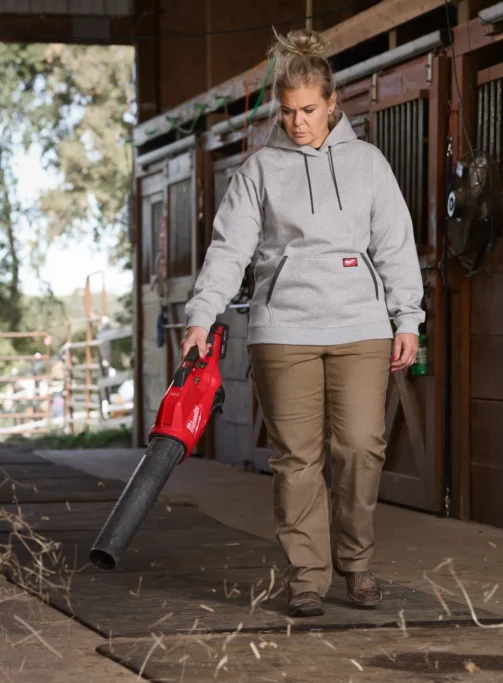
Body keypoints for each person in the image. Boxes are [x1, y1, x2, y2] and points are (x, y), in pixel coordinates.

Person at [181, 28, 425, 618]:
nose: (298, 123)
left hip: (360, 326)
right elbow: (228, 250)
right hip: (283, 330)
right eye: (288, 112)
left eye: (309, 110)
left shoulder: (368, 164)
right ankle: (307, 577)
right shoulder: (260, 170)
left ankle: (356, 563)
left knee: (362, 447)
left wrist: (408, 317)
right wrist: (201, 316)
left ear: (332, 102)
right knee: (297, 459)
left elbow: (396, 245)